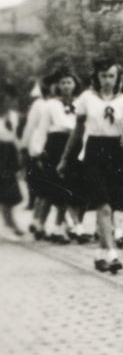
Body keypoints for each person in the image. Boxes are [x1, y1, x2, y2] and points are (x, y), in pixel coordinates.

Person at [62, 59, 123, 273]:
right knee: (103, 205)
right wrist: (65, 158)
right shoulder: (87, 99)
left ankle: (100, 253)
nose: (107, 80)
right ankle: (112, 253)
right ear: (97, 77)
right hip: (93, 153)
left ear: (117, 77)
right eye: (103, 76)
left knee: (111, 206)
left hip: (115, 153)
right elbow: (77, 131)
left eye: (111, 76)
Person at [23, 67, 79, 243]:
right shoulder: (50, 105)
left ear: (75, 84)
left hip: (74, 146)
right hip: (55, 146)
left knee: (70, 188)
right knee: (55, 188)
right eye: (63, 83)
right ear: (58, 86)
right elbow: (43, 129)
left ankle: (63, 226)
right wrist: (37, 153)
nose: (66, 86)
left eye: (69, 82)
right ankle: (52, 226)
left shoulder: (80, 102)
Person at [0, 88, 24, 238]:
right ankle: (9, 221)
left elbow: (18, 136)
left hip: (10, 152)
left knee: (11, 188)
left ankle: (9, 220)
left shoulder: (14, 117)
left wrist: (20, 154)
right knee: (5, 188)